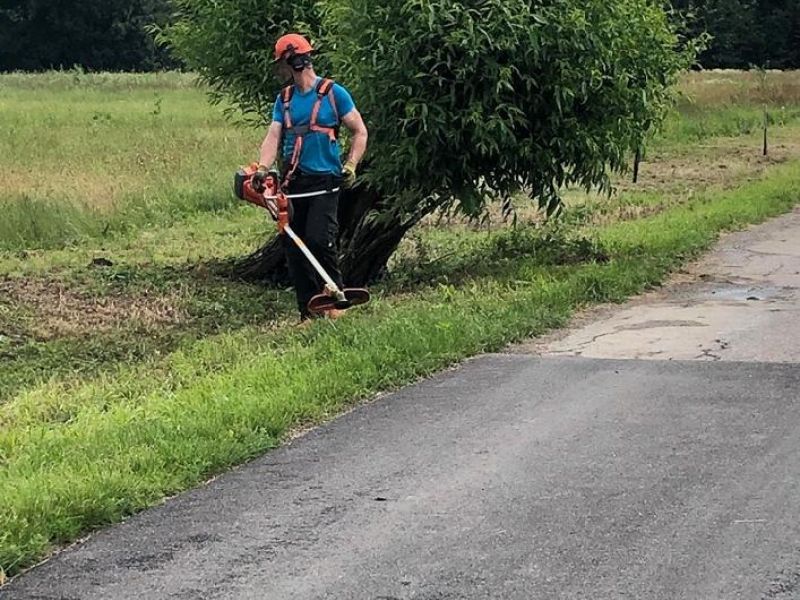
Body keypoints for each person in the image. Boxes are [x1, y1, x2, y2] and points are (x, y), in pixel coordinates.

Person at [256, 33, 368, 321]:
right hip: (293, 184)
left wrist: (351, 165)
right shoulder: (284, 99)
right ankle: (308, 313)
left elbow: (360, 131)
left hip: (325, 182)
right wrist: (263, 168)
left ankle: (335, 303)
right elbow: (273, 136)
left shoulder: (333, 93)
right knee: (293, 246)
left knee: (319, 240)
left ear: (292, 62)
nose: (280, 70)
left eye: (281, 64)